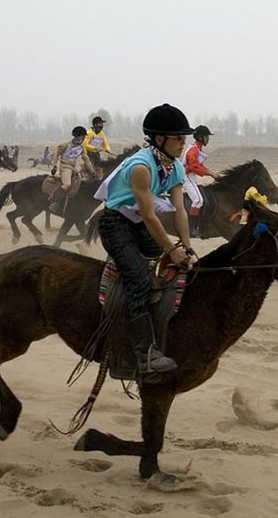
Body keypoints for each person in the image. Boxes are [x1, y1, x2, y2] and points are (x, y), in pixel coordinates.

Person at [94, 103, 196, 377]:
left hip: (138, 224)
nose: (183, 144)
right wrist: (171, 249)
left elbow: (180, 211)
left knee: (165, 267)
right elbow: (151, 216)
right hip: (116, 224)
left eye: (184, 139)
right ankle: (145, 354)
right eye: (179, 139)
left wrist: (186, 248)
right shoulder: (141, 167)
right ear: (159, 138)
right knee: (139, 280)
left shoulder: (175, 167)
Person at [49, 126, 97, 214]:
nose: (81, 139)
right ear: (75, 136)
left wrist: (92, 172)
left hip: (73, 169)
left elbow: (87, 161)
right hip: (65, 167)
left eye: (83, 137)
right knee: (67, 184)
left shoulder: (82, 149)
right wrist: (54, 166)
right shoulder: (65, 145)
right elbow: (56, 155)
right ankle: (55, 203)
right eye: (80, 136)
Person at [182, 125, 215, 237]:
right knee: (198, 200)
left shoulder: (197, 150)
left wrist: (212, 173)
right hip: (187, 177)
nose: (208, 139)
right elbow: (194, 167)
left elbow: (199, 165)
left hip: (191, 177)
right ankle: (192, 229)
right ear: (200, 137)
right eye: (206, 136)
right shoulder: (193, 150)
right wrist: (211, 174)